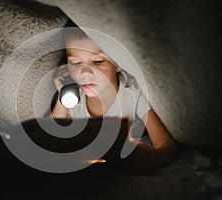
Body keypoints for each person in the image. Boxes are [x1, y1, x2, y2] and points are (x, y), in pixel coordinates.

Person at [51, 27, 178, 173]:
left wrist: (148, 159)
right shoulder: (72, 98)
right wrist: (63, 94)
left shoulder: (133, 91)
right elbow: (54, 135)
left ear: (118, 63)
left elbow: (167, 146)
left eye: (98, 61)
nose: (85, 72)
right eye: (75, 63)